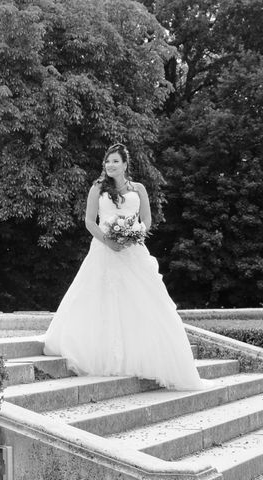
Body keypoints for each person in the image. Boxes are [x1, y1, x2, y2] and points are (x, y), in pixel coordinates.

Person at [43, 143, 209, 390]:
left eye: (115, 161)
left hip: (133, 252)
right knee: (101, 299)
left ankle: (144, 355)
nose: (110, 165)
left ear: (125, 164)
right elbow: (89, 221)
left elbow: (147, 220)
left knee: (143, 301)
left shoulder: (139, 189)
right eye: (107, 161)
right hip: (103, 251)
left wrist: (133, 234)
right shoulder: (97, 188)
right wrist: (109, 241)